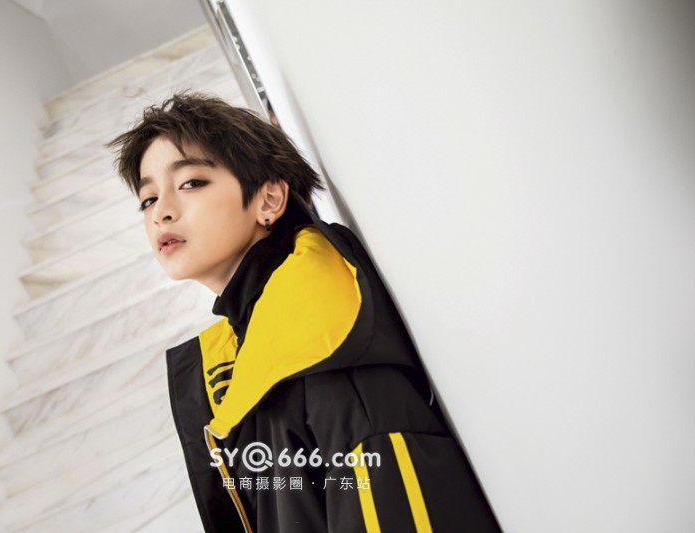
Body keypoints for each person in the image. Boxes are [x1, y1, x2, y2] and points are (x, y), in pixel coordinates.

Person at [110, 93, 500, 532]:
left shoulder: (334, 370)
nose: (161, 213)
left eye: (191, 183)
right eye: (147, 199)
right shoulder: (254, 361)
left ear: (269, 200)